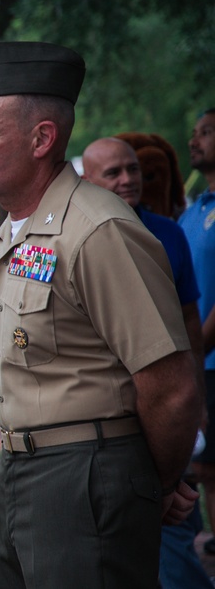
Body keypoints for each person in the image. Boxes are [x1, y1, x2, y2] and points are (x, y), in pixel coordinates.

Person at [0, 41, 200, 588]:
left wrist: (151, 485)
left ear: (42, 138)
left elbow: (170, 387)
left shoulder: (96, 228)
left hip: (86, 475)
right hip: (21, 471)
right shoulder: (14, 226)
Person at [82, 136, 208, 588]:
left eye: (133, 170)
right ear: (87, 181)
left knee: (175, 520)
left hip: (168, 401)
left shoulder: (168, 232)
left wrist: (193, 402)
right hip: (106, 415)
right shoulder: (78, 236)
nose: (127, 180)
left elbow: (189, 318)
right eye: (112, 173)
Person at [179, 108, 215, 555]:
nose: (195, 141)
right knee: (204, 470)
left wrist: (192, 351)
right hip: (196, 360)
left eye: (207, 132)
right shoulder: (194, 211)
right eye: (194, 133)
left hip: (206, 358)